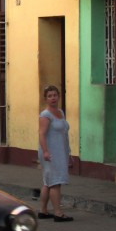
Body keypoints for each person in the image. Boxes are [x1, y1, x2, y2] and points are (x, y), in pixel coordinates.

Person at [38, 85, 73, 222]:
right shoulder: (45, 115)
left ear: (59, 96)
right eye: (50, 96)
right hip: (50, 152)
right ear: (46, 99)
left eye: (55, 95)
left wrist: (68, 154)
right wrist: (46, 151)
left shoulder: (60, 112)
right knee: (55, 182)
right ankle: (58, 213)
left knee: (48, 182)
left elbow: (64, 134)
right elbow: (41, 134)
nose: (53, 98)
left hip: (60, 151)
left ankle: (43, 210)